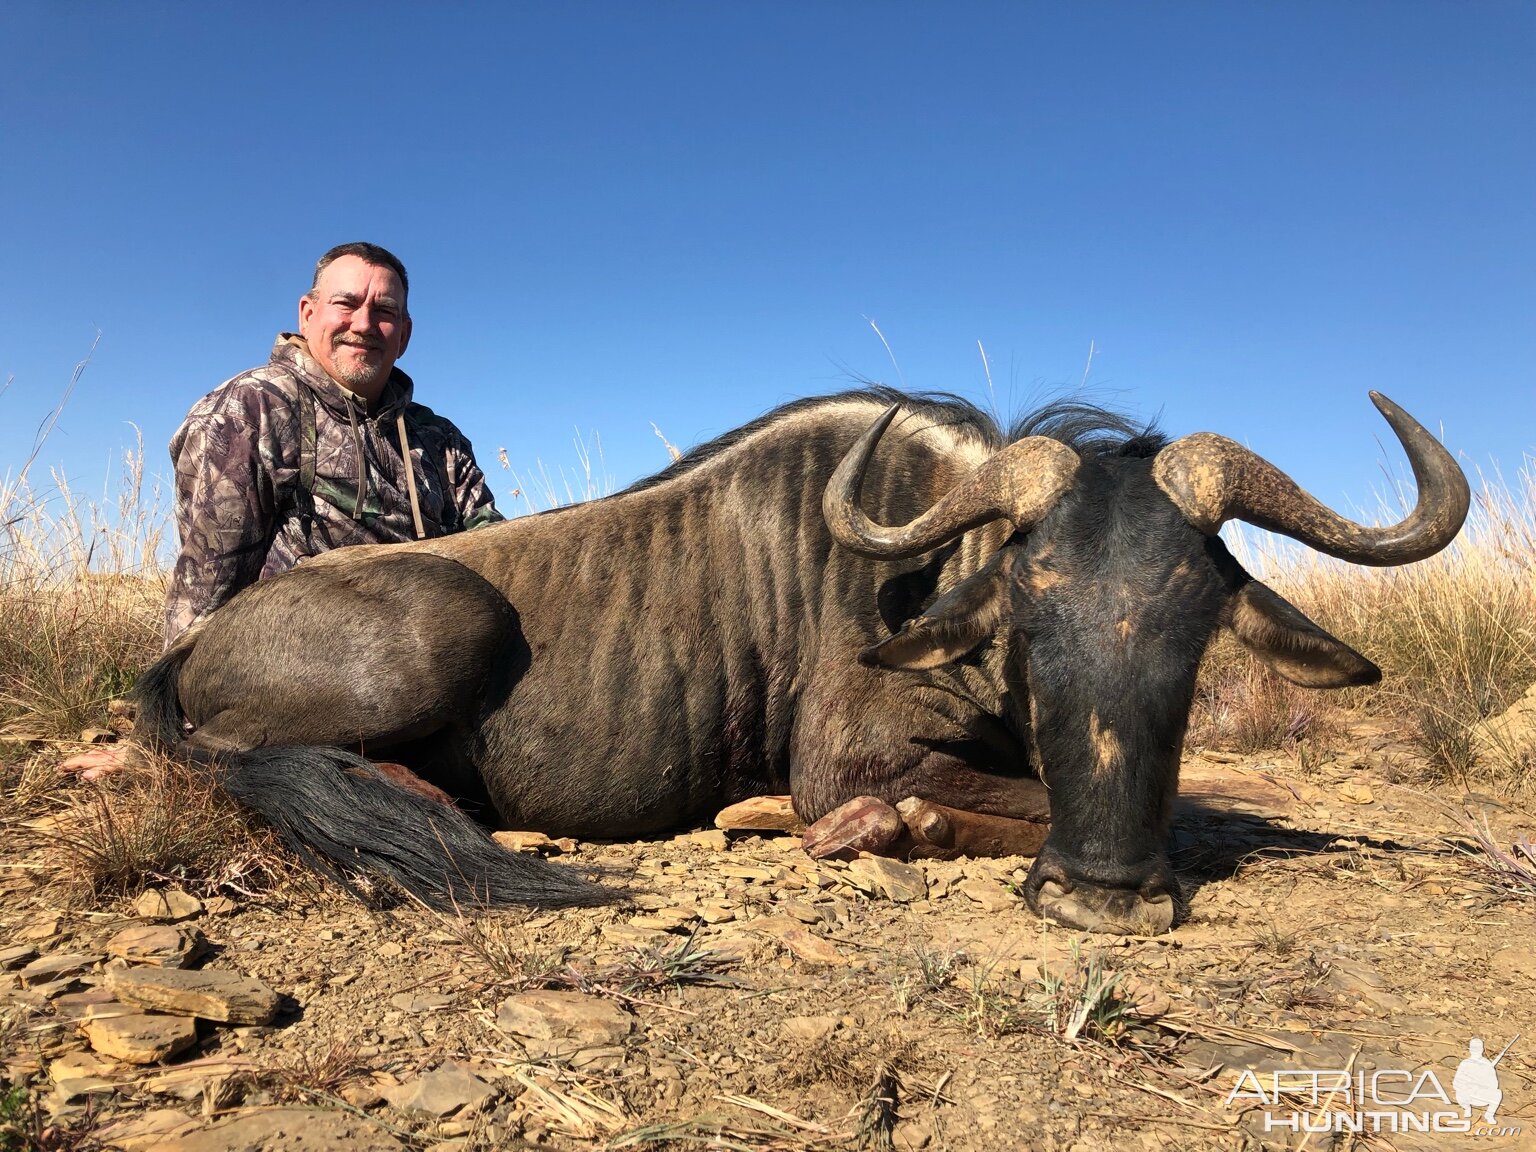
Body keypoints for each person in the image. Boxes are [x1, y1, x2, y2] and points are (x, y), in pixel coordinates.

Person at [62, 242, 503, 778]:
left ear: (405, 334)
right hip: (295, 677)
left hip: (422, 673)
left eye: (384, 312)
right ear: (308, 312)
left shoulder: (440, 439)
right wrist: (160, 741)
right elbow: (208, 590)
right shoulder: (250, 410)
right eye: (347, 304)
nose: (363, 324)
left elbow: (495, 553)